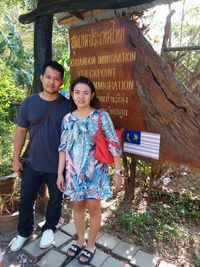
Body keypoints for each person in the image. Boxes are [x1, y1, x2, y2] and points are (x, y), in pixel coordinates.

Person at [57, 76, 123, 265]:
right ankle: (79, 240)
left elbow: (114, 144)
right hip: (74, 173)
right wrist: (60, 173)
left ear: (92, 94)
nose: (81, 96)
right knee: (77, 206)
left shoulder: (101, 116)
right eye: (77, 92)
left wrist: (118, 172)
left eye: (86, 92)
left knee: (94, 209)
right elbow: (63, 147)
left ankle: (91, 245)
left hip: (96, 173)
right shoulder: (67, 119)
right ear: (71, 95)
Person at [10, 61, 71, 252]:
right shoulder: (29, 103)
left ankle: (49, 229)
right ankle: (24, 232)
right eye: (48, 77)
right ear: (41, 78)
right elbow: (20, 131)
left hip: (57, 166)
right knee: (26, 199)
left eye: (56, 79)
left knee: (56, 199)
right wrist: (15, 158)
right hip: (32, 163)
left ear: (61, 82)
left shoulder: (68, 106)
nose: (51, 82)